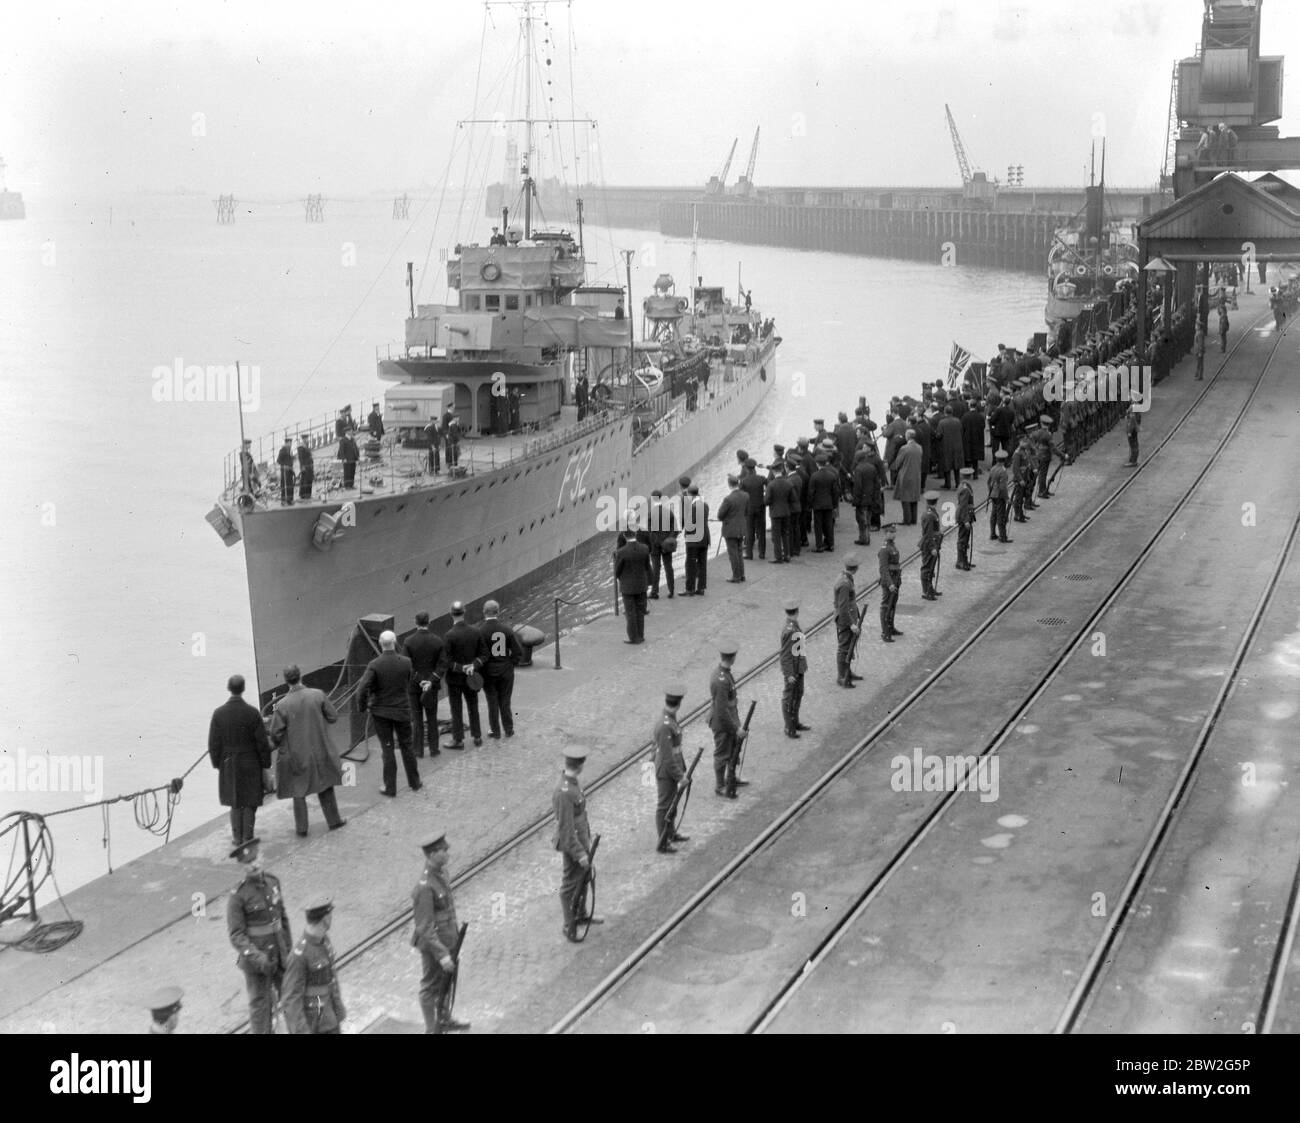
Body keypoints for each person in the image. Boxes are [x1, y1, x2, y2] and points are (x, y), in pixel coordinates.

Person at [269, 664, 347, 836]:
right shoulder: (317, 695)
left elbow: (275, 735)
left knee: (298, 789)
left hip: (297, 754)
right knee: (325, 784)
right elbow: (333, 717)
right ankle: (334, 821)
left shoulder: (282, 705)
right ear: (300, 676)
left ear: (285, 680)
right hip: (320, 749)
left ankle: (302, 828)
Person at [227, 837, 292, 1035]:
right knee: (260, 1008)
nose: (253, 865)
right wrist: (257, 958)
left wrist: (288, 950)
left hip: (280, 956)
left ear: (261, 857)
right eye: (247, 863)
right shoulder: (238, 896)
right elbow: (237, 935)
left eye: (255, 859)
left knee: (290, 998)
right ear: (241, 867)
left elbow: (283, 918)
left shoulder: (273, 882)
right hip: (257, 962)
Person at [412, 829, 470, 1033]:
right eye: (443, 850)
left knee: (446, 982)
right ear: (432, 854)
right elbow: (425, 927)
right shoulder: (425, 886)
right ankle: (431, 1028)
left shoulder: (442, 873)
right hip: (433, 946)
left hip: (448, 938)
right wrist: (443, 955)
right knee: (430, 987)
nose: (447, 852)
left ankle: (444, 1018)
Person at [208, 674, 272, 847]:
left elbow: (213, 744)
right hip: (250, 761)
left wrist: (218, 764)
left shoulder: (219, 714)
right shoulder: (252, 712)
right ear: (243, 689)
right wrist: (265, 763)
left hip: (229, 763)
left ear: (229, 689)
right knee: (251, 800)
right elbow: (262, 743)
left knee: (235, 802)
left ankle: (237, 838)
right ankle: (248, 836)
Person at [357, 630, 421, 796]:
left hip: (381, 713)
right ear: (395, 641)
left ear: (380, 643)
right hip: (402, 710)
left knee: (387, 749)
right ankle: (415, 782)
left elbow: (361, 689)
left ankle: (390, 787)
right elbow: (411, 680)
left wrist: (363, 707)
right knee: (407, 746)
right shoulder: (406, 662)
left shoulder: (374, 664)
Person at [553, 747, 600, 942]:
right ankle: (569, 926)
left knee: (585, 878)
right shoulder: (565, 791)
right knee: (569, 886)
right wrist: (580, 854)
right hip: (573, 846)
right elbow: (566, 829)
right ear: (580, 766)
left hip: (581, 841)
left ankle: (581, 914)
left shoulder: (571, 783)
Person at [282, 895, 345, 1034]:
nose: (331, 918)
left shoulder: (324, 940)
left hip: (331, 1019)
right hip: (315, 1026)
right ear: (325, 918)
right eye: (330, 915)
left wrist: (338, 1011)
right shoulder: (299, 955)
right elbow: (290, 1000)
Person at [402, 612, 447, 758]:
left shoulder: (408, 642)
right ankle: (434, 749)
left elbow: (407, 666)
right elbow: (442, 665)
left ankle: (418, 750)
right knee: (432, 718)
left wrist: (420, 680)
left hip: (415, 687)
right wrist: (430, 680)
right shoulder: (437, 641)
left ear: (415, 622)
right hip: (431, 687)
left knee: (417, 719)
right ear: (429, 621)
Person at [478, 600, 523, 736]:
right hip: (505, 671)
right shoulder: (507, 630)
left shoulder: (480, 632)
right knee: (505, 700)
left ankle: (495, 731)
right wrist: (510, 665)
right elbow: (518, 652)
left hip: (488, 673)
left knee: (492, 701)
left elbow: (478, 655)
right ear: (498, 612)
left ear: (484, 612)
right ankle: (509, 729)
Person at [708, 639, 746, 797]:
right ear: (733, 657)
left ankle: (731, 777)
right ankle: (720, 785)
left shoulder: (725, 674)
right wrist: (735, 728)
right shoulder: (721, 679)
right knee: (722, 754)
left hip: (730, 718)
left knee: (732, 750)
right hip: (722, 722)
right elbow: (722, 710)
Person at [442, 602, 484, 748]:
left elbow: (446, 661)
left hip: (455, 680)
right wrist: (473, 665)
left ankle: (458, 740)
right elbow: (484, 654)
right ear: (464, 612)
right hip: (472, 678)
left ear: (451, 614)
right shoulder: (476, 631)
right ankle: (477, 736)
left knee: (456, 709)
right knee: (473, 706)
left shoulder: (449, 635)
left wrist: (461, 668)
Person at [653, 685, 689, 853]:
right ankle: (662, 842)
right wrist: (679, 775)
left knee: (672, 804)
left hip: (672, 769)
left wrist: (682, 769)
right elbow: (667, 756)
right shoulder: (665, 725)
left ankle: (670, 833)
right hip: (666, 772)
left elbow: (676, 750)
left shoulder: (670, 719)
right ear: (679, 703)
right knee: (665, 806)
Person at [614, 519, 652, 642]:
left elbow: (617, 572)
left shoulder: (621, 552)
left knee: (630, 613)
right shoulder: (645, 548)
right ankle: (641, 635)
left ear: (624, 535)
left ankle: (633, 638)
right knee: (640, 611)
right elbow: (647, 567)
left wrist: (624, 579)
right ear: (635, 534)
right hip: (641, 585)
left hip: (628, 587)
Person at [779, 600, 810, 737]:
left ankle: (795, 722)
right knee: (789, 698)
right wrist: (789, 674)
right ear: (796, 612)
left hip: (798, 668)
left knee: (797, 695)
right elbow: (785, 656)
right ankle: (789, 727)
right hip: (793, 671)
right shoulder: (790, 630)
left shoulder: (793, 626)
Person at [833, 555, 862, 688]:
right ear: (855, 568)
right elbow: (843, 607)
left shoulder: (846, 579)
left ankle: (847, 672)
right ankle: (841, 676)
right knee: (844, 648)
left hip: (849, 618)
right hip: (846, 620)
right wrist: (851, 624)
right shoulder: (845, 583)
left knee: (848, 647)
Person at [717, 474, 749, 582]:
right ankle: (742, 574)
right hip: (741, 528)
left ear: (729, 485)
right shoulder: (746, 495)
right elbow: (747, 511)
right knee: (739, 551)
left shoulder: (728, 499)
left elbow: (720, 515)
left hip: (730, 529)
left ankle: (736, 576)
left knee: (733, 553)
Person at [647, 489, 678, 598]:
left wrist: (660, 543)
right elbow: (675, 530)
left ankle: (655, 592)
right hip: (667, 546)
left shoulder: (650, 513)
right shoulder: (668, 512)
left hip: (655, 547)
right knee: (668, 567)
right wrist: (668, 541)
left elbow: (651, 533)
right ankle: (671, 591)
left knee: (656, 569)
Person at [682, 483, 710, 595]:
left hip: (693, 540)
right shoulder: (705, 505)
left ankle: (690, 589)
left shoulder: (692, 507)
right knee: (703, 564)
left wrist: (686, 535)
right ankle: (701, 588)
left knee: (690, 564)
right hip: (705, 538)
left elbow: (689, 525)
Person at [890, 429, 923, 525]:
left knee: (905, 498)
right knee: (914, 498)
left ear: (907, 436)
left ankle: (907, 520)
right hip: (916, 475)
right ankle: (913, 519)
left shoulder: (904, 448)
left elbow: (898, 462)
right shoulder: (919, 447)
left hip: (905, 475)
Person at [851, 447, 881, 546]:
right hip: (871, 497)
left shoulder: (858, 469)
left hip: (862, 499)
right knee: (868, 518)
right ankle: (867, 537)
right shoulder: (872, 467)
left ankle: (864, 538)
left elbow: (858, 486)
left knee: (861, 520)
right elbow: (877, 484)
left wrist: (856, 500)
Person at [878, 524, 903, 643]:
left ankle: (891, 628)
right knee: (886, 606)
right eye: (891, 532)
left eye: (894, 532)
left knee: (892, 605)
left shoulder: (892, 546)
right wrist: (890, 584)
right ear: (886, 533)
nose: (894, 534)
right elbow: (883, 569)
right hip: (890, 582)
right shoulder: (884, 549)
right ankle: (885, 632)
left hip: (896, 579)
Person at [810, 454, 839, 552]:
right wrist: (834, 504)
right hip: (829, 504)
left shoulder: (814, 476)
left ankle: (819, 545)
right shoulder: (832, 475)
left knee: (818, 526)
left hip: (817, 505)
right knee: (829, 524)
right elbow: (835, 492)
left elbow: (811, 492)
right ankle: (831, 544)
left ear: (817, 464)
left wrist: (810, 504)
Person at [765, 461, 793, 563]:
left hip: (775, 513)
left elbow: (766, 501)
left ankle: (778, 557)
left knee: (776, 536)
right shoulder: (788, 483)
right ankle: (787, 555)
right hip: (786, 511)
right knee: (785, 534)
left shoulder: (771, 485)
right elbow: (792, 498)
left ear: (773, 471)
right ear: (782, 470)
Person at [739, 459, 767, 561]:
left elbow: (740, 496)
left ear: (746, 468)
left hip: (749, 509)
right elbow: (770, 485)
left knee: (749, 531)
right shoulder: (761, 478)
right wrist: (764, 497)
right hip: (760, 507)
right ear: (755, 467)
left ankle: (749, 554)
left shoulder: (744, 481)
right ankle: (762, 553)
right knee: (761, 531)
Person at [919, 492, 943, 601]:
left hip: (932, 543)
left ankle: (930, 588)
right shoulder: (929, 515)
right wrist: (932, 547)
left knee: (930, 567)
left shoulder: (930, 512)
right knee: (927, 568)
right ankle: (926, 591)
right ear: (936, 501)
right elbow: (929, 533)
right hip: (929, 544)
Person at [987, 449, 1012, 543]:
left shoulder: (993, 468)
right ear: (1004, 460)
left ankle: (992, 533)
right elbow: (1003, 488)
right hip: (999, 496)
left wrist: (990, 492)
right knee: (1001, 516)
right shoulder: (1003, 471)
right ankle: (1002, 536)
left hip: (993, 494)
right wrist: (1007, 498)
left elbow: (988, 482)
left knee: (993, 514)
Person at [937, 406, 964, 489]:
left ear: (945, 412)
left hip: (946, 446)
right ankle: (957, 483)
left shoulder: (942, 422)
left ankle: (947, 483)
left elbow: (939, 435)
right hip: (957, 445)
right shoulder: (958, 421)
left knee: (947, 465)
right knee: (957, 466)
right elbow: (962, 431)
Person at [955, 468, 977, 570]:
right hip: (965, 516)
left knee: (964, 539)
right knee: (963, 540)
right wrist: (966, 520)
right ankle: (961, 562)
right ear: (970, 476)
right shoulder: (965, 488)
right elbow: (963, 505)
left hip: (965, 515)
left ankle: (964, 560)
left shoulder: (964, 485)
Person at [962, 398, 986, 478]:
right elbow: (983, 426)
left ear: (969, 406)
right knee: (975, 458)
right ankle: (975, 474)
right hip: (977, 438)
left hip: (968, 439)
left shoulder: (965, 416)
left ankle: (968, 474)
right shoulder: (980, 416)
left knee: (968, 456)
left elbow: (963, 428)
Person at [276, 436, 295, 505]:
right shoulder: (283, 450)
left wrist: (292, 457)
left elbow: (289, 459)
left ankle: (290, 499)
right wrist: (284, 466)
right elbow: (278, 460)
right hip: (284, 471)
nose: (291, 444)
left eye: (291, 443)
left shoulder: (289, 450)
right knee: (285, 486)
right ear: (287, 443)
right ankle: (284, 501)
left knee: (290, 485)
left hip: (290, 470)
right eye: (290, 443)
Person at [296, 435, 314, 500]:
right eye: (306, 439)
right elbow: (300, 458)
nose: (308, 440)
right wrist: (302, 466)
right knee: (305, 480)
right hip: (305, 466)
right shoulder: (301, 447)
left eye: (307, 438)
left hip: (309, 465)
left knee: (309, 479)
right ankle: (303, 494)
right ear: (303, 439)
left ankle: (308, 494)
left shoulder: (306, 446)